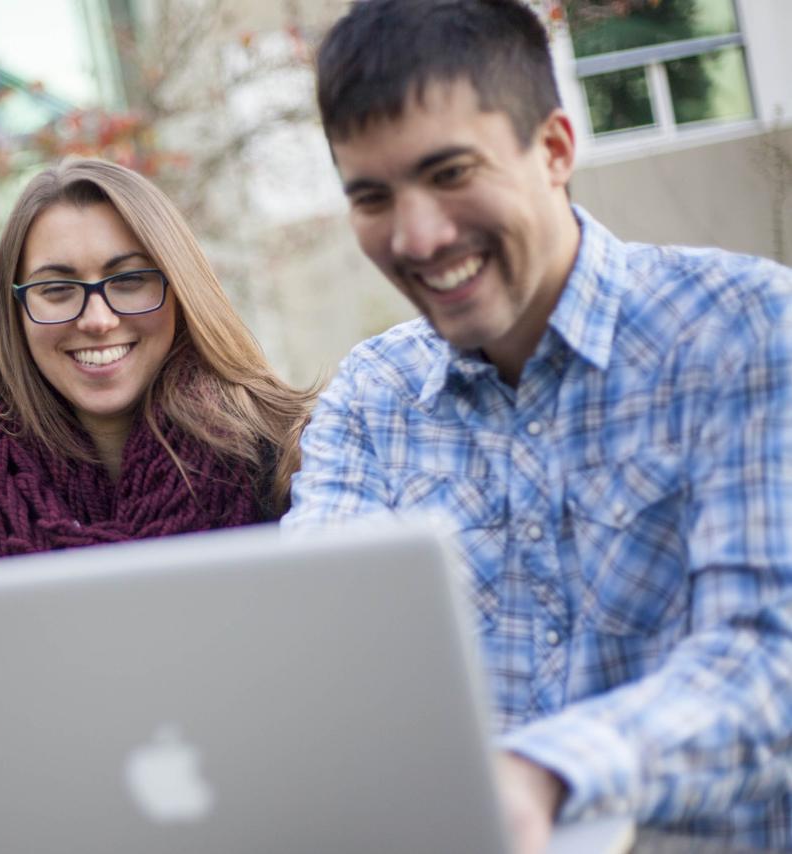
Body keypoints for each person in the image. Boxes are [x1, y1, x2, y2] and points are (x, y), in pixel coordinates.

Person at [283, 1, 792, 849]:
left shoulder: (748, 330)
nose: (418, 237)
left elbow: (770, 662)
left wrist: (544, 775)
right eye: (372, 196)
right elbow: (324, 646)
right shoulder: (372, 395)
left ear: (555, 149)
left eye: (451, 173)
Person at [0, 158, 314, 826]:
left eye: (130, 279)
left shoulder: (279, 456)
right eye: (57, 290)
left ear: (179, 288)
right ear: (17, 310)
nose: (98, 318)